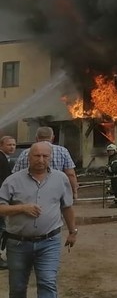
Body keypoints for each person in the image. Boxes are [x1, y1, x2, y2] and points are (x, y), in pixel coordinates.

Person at [0, 141, 78, 298]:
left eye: (45, 156)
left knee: (47, 283)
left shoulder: (61, 179)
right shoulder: (12, 181)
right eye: (36, 156)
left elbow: (67, 207)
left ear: (50, 158)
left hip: (49, 242)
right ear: (28, 157)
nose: (41, 160)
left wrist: (72, 231)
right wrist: (22, 208)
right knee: (18, 287)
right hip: (18, 244)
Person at [12, 127, 79, 200]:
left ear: (36, 138)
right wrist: (74, 191)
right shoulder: (62, 151)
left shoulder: (25, 153)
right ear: (52, 138)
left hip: (30, 193)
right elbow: (70, 174)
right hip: (56, 191)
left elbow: (15, 175)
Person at [0, 135, 16, 270]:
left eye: (14, 145)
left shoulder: (5, 158)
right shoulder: (1, 159)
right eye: (9, 145)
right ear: (1, 145)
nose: (12, 147)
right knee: (2, 228)